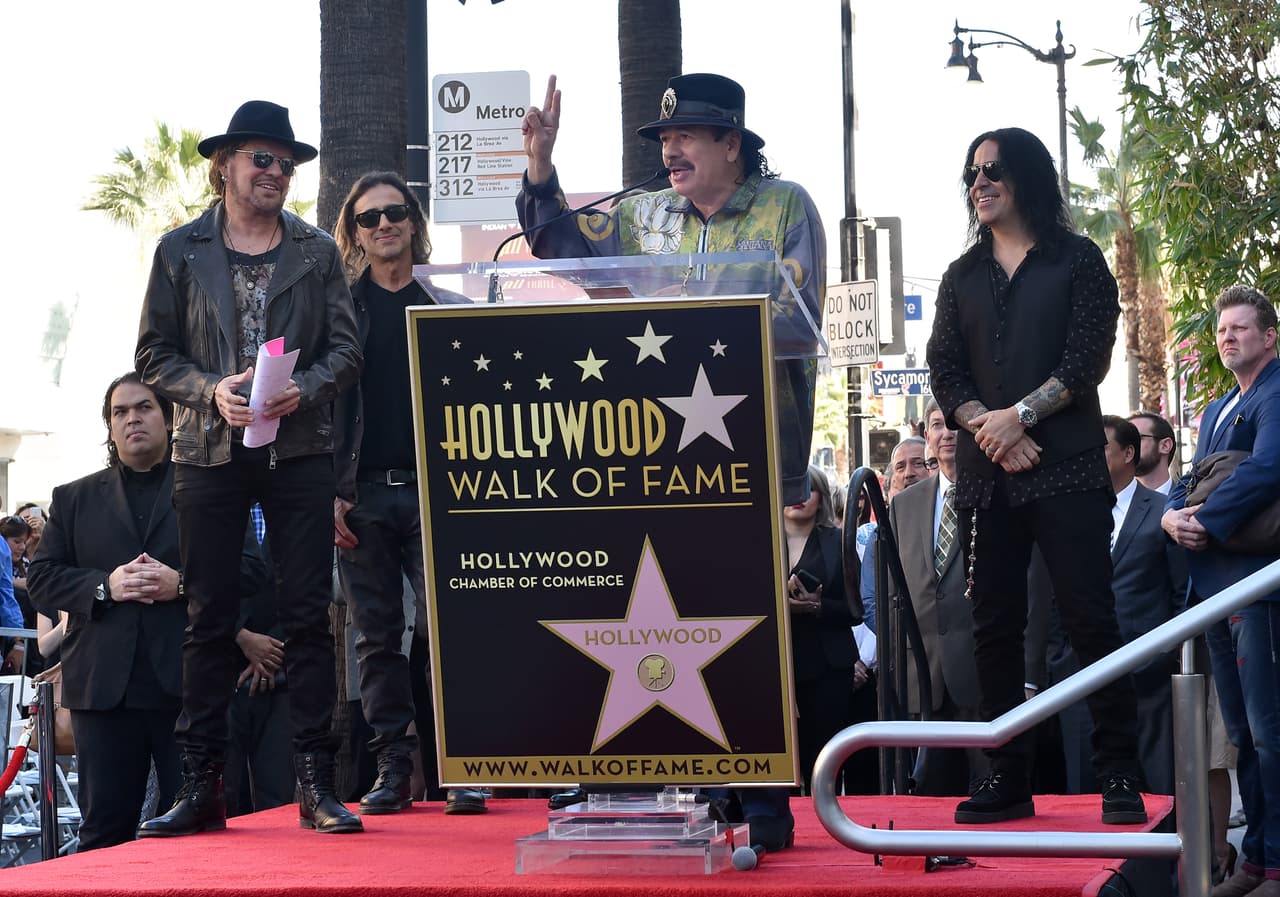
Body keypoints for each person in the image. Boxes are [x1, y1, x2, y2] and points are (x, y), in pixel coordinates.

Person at [135, 100, 363, 837]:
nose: (276, 172)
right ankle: (202, 784)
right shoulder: (180, 250)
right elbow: (153, 355)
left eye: (286, 163)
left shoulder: (316, 251)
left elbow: (347, 350)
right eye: (262, 158)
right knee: (207, 616)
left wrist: (309, 388)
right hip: (208, 448)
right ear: (225, 165)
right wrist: (211, 390)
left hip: (299, 447)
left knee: (307, 616)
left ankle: (315, 782)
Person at [926, 127, 1146, 826]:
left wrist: (1018, 417)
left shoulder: (1078, 260)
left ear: (1027, 176)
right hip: (986, 476)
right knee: (993, 627)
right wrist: (990, 430)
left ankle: (1119, 773)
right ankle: (1005, 776)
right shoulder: (961, 274)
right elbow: (944, 369)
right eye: (972, 172)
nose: (979, 182)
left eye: (993, 169)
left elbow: (1088, 358)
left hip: (1070, 471)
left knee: (1090, 618)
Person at [517, 72, 826, 508]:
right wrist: (540, 165)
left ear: (731, 145)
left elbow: (799, 324)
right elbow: (559, 244)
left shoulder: (785, 206)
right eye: (664, 139)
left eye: (685, 136)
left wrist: (684, 315)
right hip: (654, 452)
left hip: (756, 451)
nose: (669, 151)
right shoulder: (641, 214)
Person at [331, 171, 485, 816]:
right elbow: (319, 410)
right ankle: (394, 768)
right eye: (369, 217)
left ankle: (466, 766)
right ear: (354, 232)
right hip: (360, 496)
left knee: (455, 630)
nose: (384, 224)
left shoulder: (448, 306)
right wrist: (331, 492)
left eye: (394, 212)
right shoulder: (338, 313)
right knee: (376, 638)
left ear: (414, 222)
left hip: (439, 493)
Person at [26, 373, 188, 850]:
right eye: (120, 412)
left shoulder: (202, 489)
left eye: (144, 407)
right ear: (110, 427)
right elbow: (42, 580)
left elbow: (249, 570)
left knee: (199, 838)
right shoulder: (72, 498)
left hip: (188, 685)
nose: (132, 418)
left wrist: (181, 584)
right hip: (102, 690)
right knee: (103, 835)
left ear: (168, 418)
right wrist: (105, 586)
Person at [1163, 285, 1280, 897]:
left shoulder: (1277, 391)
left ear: (1270, 336)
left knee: (1269, 732)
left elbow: (1268, 467)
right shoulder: (1214, 409)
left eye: (1240, 327)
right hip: (1212, 589)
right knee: (1242, 736)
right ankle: (1258, 858)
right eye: (1220, 329)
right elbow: (1187, 480)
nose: (1227, 336)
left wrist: (1205, 520)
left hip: (1258, 588)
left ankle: (1275, 862)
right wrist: (1170, 516)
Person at [1046, 416, 1184, 795]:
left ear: (1128, 453)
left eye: (1100, 448)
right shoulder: (1069, 514)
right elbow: (1054, 592)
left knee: (1157, 791)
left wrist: (1162, 657)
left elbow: (1181, 593)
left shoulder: (1164, 511)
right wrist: (1059, 660)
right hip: (1079, 677)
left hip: (1147, 679)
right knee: (1083, 795)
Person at [886, 400, 988, 796]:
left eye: (956, 424)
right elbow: (894, 593)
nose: (947, 433)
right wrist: (897, 670)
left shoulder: (999, 491)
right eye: (937, 425)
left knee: (988, 794)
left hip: (985, 672)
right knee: (928, 798)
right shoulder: (904, 504)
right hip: (921, 677)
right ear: (926, 435)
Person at [783, 466, 861, 798]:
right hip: (776, 669)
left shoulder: (839, 542)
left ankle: (825, 816)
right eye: (792, 489)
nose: (798, 498)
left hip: (829, 668)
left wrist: (818, 606)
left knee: (824, 759)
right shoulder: (758, 542)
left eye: (808, 489)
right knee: (783, 765)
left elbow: (856, 610)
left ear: (822, 498)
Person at [1129, 412, 1177, 494]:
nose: (1127, 447)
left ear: (1165, 446)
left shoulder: (1190, 499)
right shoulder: (1111, 500)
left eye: (1136, 438)